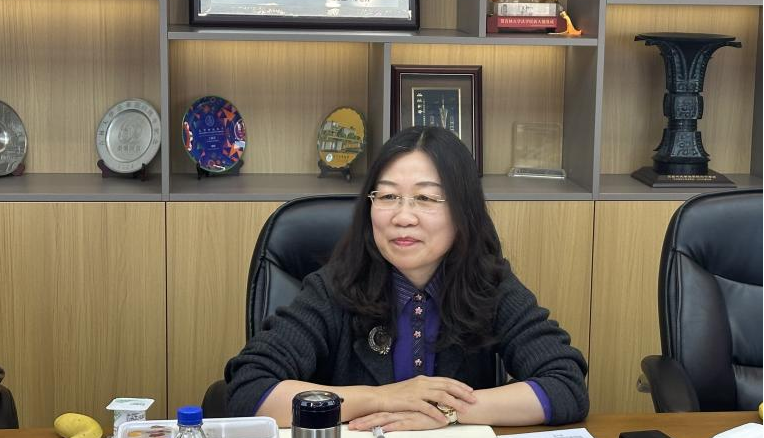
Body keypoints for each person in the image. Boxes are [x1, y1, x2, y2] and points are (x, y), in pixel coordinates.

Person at [225, 126, 589, 431]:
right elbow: (249, 391)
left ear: (463, 212)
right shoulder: (334, 288)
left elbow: (566, 385)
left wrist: (445, 411)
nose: (402, 217)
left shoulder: (488, 284)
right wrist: (383, 398)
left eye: (426, 198)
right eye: (387, 196)